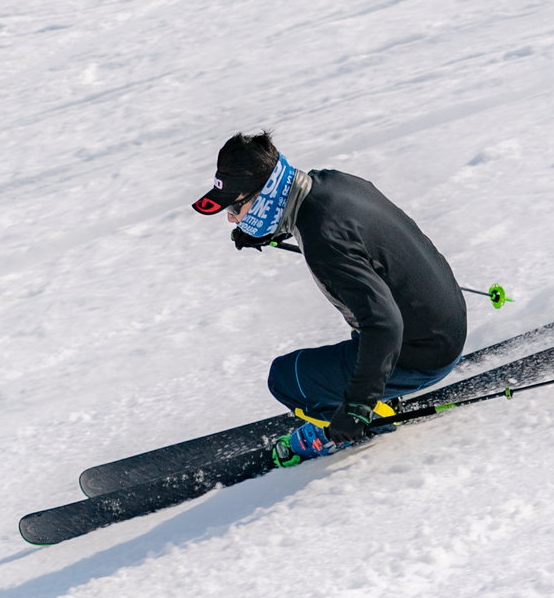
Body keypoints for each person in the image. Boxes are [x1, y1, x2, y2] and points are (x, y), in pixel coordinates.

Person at [192, 130, 466, 462]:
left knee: (286, 378)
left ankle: (355, 425)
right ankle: (374, 390)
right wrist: (266, 229)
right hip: (443, 320)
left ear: (265, 196)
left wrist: (358, 406)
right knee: (362, 315)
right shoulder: (330, 183)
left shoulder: (324, 240)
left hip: (424, 353)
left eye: (236, 206)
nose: (231, 217)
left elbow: (384, 325)